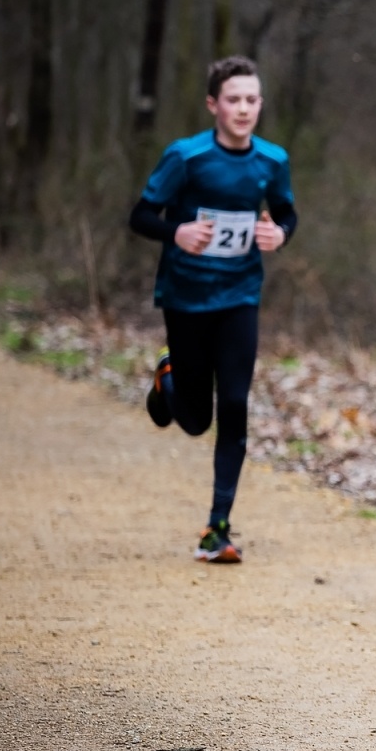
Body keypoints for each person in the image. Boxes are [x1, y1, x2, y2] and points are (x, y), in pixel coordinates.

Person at [129, 56, 297, 564]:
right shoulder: (186, 157)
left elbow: (287, 212)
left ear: (260, 105)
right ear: (213, 105)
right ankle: (169, 379)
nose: (243, 109)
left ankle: (217, 528)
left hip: (240, 297)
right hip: (185, 297)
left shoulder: (272, 160)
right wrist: (175, 232)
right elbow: (140, 216)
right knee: (197, 419)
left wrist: (278, 234)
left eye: (251, 100)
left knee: (236, 406)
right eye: (233, 100)